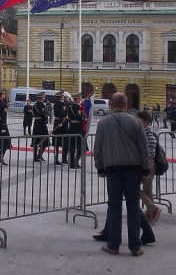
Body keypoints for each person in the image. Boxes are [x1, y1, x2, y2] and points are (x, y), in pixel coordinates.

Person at [93, 93, 149, 257]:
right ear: (126, 104)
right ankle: (135, 246)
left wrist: (100, 167)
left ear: (110, 104)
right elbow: (143, 148)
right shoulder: (136, 122)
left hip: (112, 169)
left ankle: (113, 245)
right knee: (133, 207)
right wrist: (145, 170)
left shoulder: (103, 123)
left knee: (114, 207)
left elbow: (98, 147)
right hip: (133, 169)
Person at [136, 110, 161, 225]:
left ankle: (152, 208)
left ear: (145, 121)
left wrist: (145, 166)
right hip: (147, 165)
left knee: (133, 187)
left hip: (146, 166)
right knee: (147, 189)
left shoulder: (149, 135)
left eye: (139, 120)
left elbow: (150, 154)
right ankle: (150, 214)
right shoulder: (143, 133)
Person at [66, 93, 87, 169]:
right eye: (79, 98)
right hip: (78, 129)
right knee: (79, 147)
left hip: (71, 127)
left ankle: (71, 162)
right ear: (77, 99)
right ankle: (75, 162)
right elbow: (79, 117)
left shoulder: (70, 106)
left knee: (72, 147)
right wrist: (84, 118)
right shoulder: (77, 107)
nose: (80, 99)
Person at [31, 92, 49, 162]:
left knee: (36, 141)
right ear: (41, 97)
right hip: (41, 124)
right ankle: (39, 155)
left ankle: (36, 156)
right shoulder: (41, 105)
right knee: (44, 139)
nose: (44, 98)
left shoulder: (34, 105)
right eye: (43, 97)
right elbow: (42, 114)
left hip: (36, 123)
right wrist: (46, 118)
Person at [51, 91, 68, 165]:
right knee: (64, 141)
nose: (63, 97)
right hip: (62, 123)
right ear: (60, 96)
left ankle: (56, 158)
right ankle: (64, 159)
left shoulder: (55, 103)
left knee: (56, 143)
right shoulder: (62, 104)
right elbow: (62, 113)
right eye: (63, 96)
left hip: (56, 122)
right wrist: (64, 117)